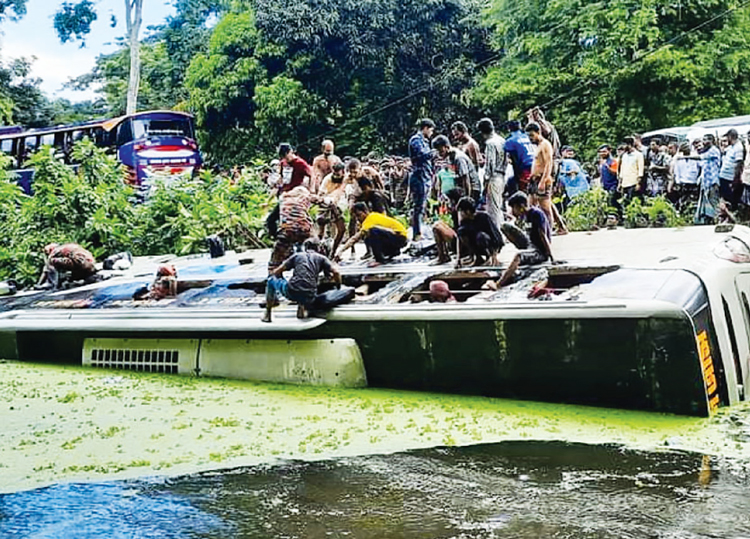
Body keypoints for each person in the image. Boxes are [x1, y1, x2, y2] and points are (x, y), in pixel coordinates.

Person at [262, 238, 342, 323]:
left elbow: (277, 271)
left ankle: (268, 313)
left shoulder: (297, 256)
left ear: (305, 248)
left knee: (271, 280)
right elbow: (336, 272)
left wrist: (275, 274)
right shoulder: (322, 258)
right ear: (318, 249)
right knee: (306, 283)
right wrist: (338, 286)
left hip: (292, 292)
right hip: (310, 296)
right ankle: (301, 310)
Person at [496, 191, 553, 287]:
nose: (513, 211)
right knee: (505, 226)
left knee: (518, 256)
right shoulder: (526, 215)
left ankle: (498, 284)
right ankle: (525, 253)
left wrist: (551, 256)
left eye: (514, 208)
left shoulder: (536, 214)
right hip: (530, 244)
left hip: (539, 250)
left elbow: (543, 235)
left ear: (521, 206)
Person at [526, 122, 568, 234]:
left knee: (545, 207)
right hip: (534, 180)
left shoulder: (545, 145)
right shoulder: (537, 146)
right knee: (531, 205)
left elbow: (548, 164)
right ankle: (559, 226)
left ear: (538, 133)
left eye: (532, 135)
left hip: (543, 179)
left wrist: (543, 181)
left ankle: (548, 230)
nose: (530, 138)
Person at [335, 202, 408, 265]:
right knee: (367, 236)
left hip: (399, 237)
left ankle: (379, 259)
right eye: (356, 217)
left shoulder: (369, 220)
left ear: (365, 211)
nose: (358, 218)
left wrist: (341, 251)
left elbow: (355, 238)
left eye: (359, 215)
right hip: (396, 238)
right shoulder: (372, 216)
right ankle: (393, 252)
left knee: (372, 231)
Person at [266, 144, 313, 238]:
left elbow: (312, 175)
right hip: (285, 197)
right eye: (283, 157)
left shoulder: (300, 163)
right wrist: (269, 200)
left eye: (286, 157)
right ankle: (279, 240)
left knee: (296, 221)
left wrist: (310, 191)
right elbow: (281, 181)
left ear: (290, 152)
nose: (285, 160)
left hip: (296, 198)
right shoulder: (283, 163)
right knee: (271, 220)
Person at [268, 186, 316, 270]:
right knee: (315, 244)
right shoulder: (306, 196)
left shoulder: (284, 199)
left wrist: (276, 236)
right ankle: (324, 269)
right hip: (304, 229)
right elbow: (324, 201)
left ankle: (273, 272)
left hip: (286, 230)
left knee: (276, 257)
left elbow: (270, 220)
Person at [432, 135, 482, 203]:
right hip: (461, 187)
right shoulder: (450, 157)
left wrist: (467, 199)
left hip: (472, 188)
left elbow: (465, 178)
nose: (439, 155)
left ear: (447, 147)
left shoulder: (458, 158)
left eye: (441, 152)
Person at [408, 119, 436, 240]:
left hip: (425, 176)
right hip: (419, 176)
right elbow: (422, 155)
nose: (431, 133)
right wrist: (433, 152)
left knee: (422, 206)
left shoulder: (424, 141)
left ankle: (419, 231)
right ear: (425, 128)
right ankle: (417, 233)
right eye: (431, 130)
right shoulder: (416, 140)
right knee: (418, 206)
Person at [455, 197, 504, 267]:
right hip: (477, 245)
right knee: (462, 232)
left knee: (481, 236)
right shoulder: (464, 222)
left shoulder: (484, 217)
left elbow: (496, 238)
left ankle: (489, 258)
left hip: (489, 244)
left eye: (461, 211)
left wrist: (494, 256)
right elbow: (459, 238)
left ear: (468, 211)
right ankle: (478, 258)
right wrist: (458, 259)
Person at [476, 118, 506, 229]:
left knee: (493, 208)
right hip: (502, 175)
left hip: (494, 177)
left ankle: (496, 232)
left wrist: (485, 181)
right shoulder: (502, 140)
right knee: (499, 205)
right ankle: (502, 230)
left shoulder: (490, 143)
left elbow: (490, 165)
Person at [317, 162, 348, 256]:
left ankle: (334, 251)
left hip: (341, 203)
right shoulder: (328, 178)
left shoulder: (347, 179)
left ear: (343, 172)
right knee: (321, 222)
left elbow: (344, 192)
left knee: (341, 229)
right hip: (327, 202)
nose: (335, 176)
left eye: (338, 174)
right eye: (334, 173)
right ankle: (318, 247)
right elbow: (321, 193)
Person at [695, 134, 722, 224]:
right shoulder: (707, 151)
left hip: (713, 181)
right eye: (703, 139)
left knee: (713, 201)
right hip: (706, 182)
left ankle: (719, 220)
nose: (704, 142)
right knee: (707, 203)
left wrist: (683, 157)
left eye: (706, 140)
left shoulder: (714, 150)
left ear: (711, 141)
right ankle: (711, 220)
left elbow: (699, 157)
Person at [503, 119, 535, 194]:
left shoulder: (510, 141)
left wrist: (517, 175)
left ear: (509, 129)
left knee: (522, 189)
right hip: (535, 164)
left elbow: (514, 159)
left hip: (524, 166)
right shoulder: (527, 136)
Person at [719, 128, 744, 209]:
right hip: (724, 175)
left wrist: (735, 178)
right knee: (725, 198)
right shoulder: (731, 147)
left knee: (730, 199)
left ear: (731, 137)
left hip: (730, 177)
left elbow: (738, 163)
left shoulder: (738, 148)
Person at [617, 136, 644, 207]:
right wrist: (620, 183)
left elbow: (640, 170)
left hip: (633, 183)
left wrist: (638, 183)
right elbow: (622, 170)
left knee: (633, 202)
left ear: (629, 145)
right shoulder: (624, 156)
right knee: (625, 203)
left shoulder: (638, 155)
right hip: (624, 183)